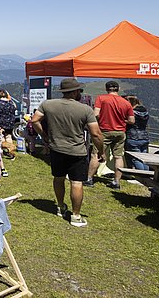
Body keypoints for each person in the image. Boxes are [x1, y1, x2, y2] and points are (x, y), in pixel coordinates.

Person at [31, 78, 103, 227]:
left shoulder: (48, 104)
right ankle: (76, 216)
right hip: (77, 151)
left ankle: (60, 206)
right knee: (76, 182)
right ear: (76, 92)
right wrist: (101, 151)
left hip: (56, 148)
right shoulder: (85, 109)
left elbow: (34, 120)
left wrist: (45, 136)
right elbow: (96, 134)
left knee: (58, 178)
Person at [85, 80, 134, 189]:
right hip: (120, 132)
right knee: (118, 156)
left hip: (105, 131)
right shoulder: (126, 102)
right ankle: (116, 182)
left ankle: (89, 179)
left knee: (96, 155)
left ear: (107, 89)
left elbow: (95, 114)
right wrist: (121, 120)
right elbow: (132, 120)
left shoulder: (101, 98)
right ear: (119, 89)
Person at [124, 96, 150, 170]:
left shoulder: (131, 112)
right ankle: (148, 176)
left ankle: (142, 177)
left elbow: (130, 122)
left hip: (133, 137)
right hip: (144, 136)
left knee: (136, 158)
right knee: (144, 158)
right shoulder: (145, 112)